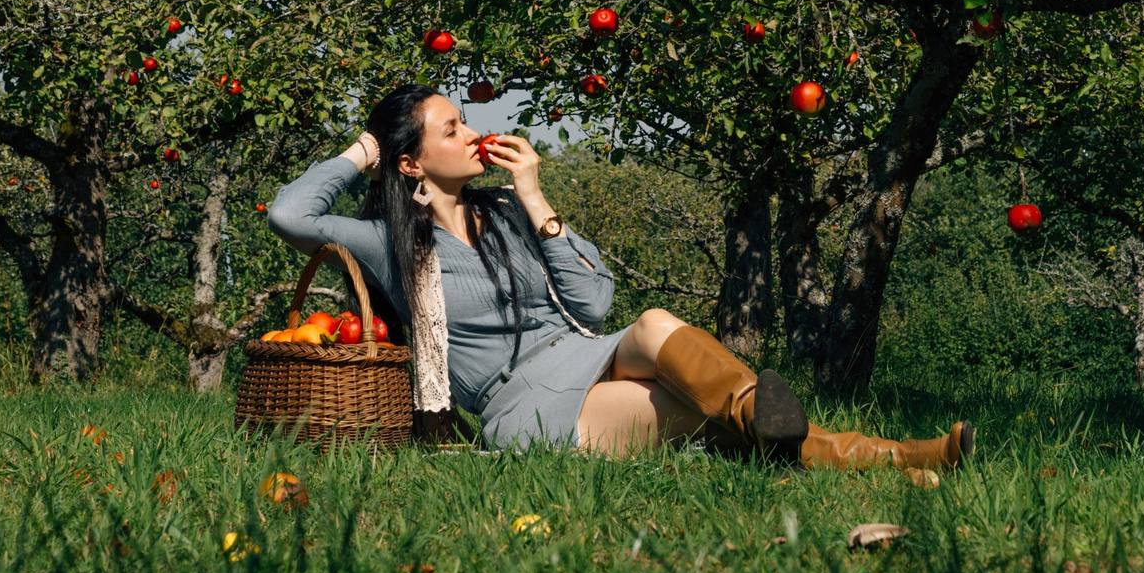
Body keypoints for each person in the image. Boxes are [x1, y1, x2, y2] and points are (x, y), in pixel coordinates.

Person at [264, 82, 974, 471]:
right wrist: (365, 148)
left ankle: (821, 435)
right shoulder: (387, 243)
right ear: (410, 162)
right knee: (701, 416)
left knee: (657, 325)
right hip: (523, 403)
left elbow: (595, 303)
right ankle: (896, 460)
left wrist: (535, 198)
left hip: (585, 351)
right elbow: (290, 214)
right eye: (451, 129)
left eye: (465, 120)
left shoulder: (507, 214)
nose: (472, 133)